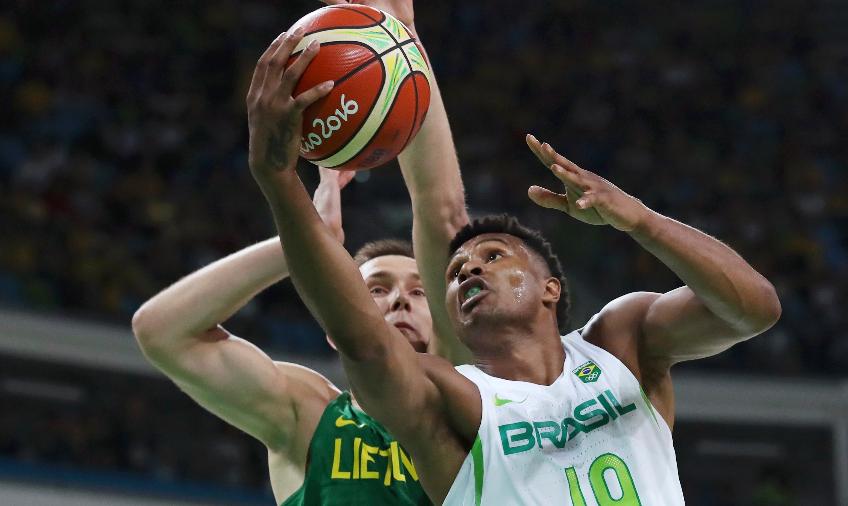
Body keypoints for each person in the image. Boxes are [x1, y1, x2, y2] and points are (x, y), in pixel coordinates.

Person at [249, 10, 783, 503]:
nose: (467, 269)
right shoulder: (453, 401)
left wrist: (642, 220)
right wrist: (277, 178)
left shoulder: (621, 343)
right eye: (455, 273)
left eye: (493, 255)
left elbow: (753, 310)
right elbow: (363, 343)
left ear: (551, 287)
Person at [132, 0, 468, 503]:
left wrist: (404, 46)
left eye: (421, 292)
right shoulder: (310, 416)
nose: (400, 301)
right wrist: (306, 243)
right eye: (376, 288)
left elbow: (442, 214)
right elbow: (163, 332)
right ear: (337, 321)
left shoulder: (473, 399)